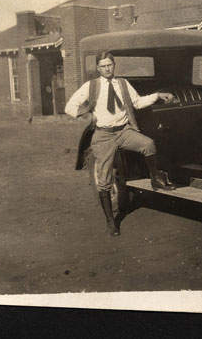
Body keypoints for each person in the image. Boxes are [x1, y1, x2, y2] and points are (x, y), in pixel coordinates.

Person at [65, 51, 175, 236]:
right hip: (103, 135)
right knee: (104, 181)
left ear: (114, 65)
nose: (107, 69)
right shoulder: (91, 86)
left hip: (123, 131)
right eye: (103, 66)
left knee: (148, 145)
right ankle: (111, 221)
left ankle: (155, 178)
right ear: (98, 68)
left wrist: (157, 95)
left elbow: (138, 103)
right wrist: (87, 114)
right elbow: (69, 107)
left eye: (110, 65)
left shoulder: (122, 83)